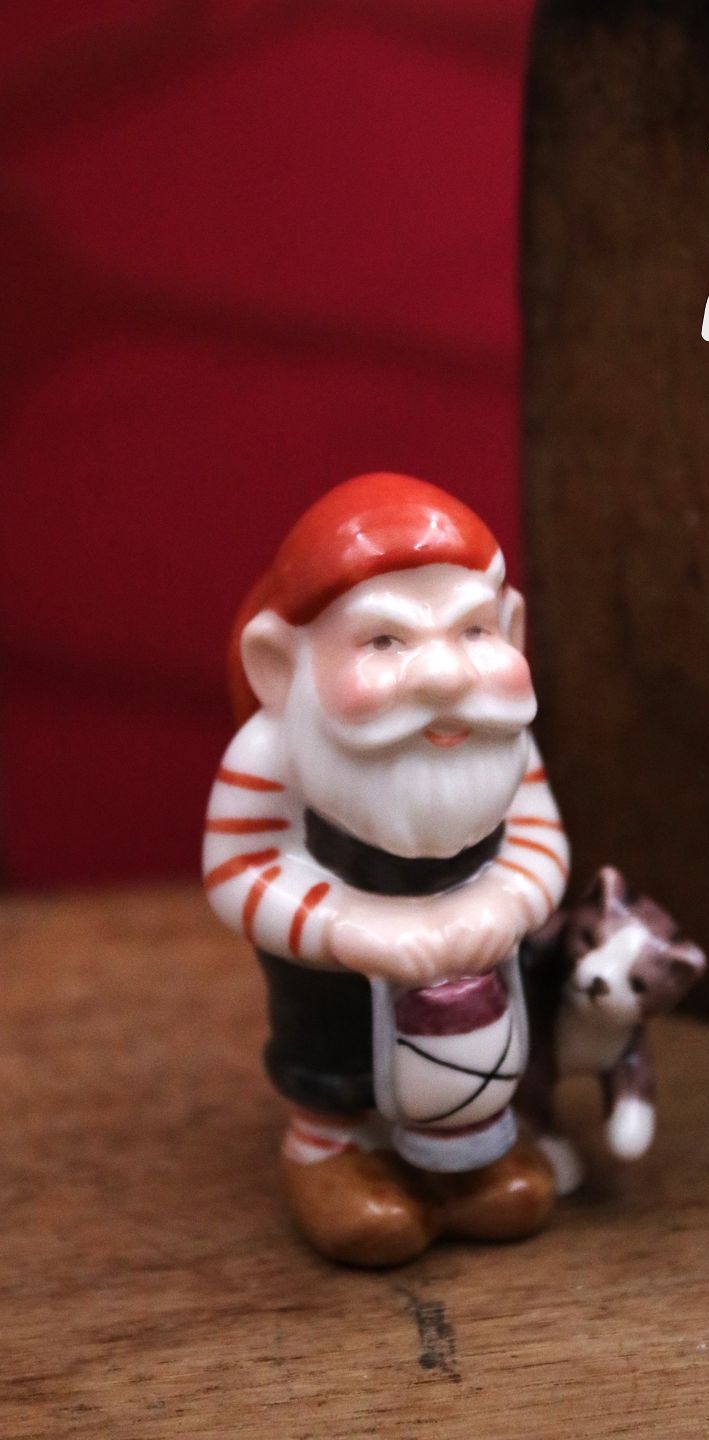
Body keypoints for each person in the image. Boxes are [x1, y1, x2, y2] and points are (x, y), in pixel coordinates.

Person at [202, 472, 569, 1265]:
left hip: (473, 967)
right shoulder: (271, 757)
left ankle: (466, 1162)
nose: (444, 676)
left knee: (476, 1061)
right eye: (384, 641)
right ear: (277, 665)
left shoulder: (503, 740)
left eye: (473, 631)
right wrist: (345, 927)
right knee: (333, 1061)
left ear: (512, 627)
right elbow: (239, 871)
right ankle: (329, 1152)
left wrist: (509, 899)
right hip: (334, 979)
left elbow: (540, 839)